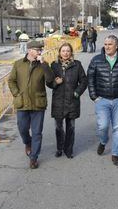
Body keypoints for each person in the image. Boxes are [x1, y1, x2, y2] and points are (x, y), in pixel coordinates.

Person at [87, 35, 118, 166]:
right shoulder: (96, 60)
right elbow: (90, 78)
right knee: (102, 126)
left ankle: (115, 154)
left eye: (110, 44)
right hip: (102, 100)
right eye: (105, 44)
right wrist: (94, 97)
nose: (107, 47)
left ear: (116, 46)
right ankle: (103, 141)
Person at [8, 40, 55, 169]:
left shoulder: (43, 65)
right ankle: (28, 143)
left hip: (38, 103)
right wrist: (16, 94)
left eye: (41, 50)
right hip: (22, 103)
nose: (40, 52)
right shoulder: (18, 64)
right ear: (29, 50)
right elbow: (11, 80)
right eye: (38, 50)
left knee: (37, 132)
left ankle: (34, 157)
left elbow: (50, 80)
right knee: (22, 128)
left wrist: (44, 64)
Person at [48, 43, 87, 159]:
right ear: (59, 52)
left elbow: (84, 81)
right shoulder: (54, 65)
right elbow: (49, 82)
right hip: (58, 102)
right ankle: (59, 148)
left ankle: (69, 150)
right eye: (63, 51)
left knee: (71, 127)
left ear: (71, 53)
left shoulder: (77, 65)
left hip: (72, 101)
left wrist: (77, 92)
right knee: (58, 128)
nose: (65, 53)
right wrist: (55, 82)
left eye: (68, 51)